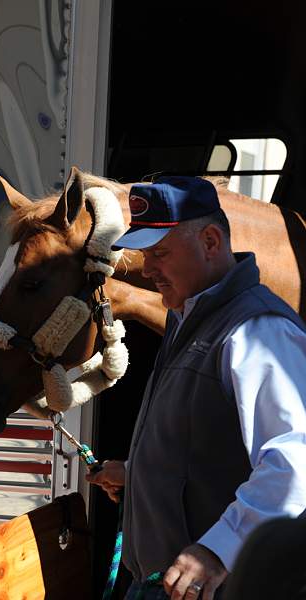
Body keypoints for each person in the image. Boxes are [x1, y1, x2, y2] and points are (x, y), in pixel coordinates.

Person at [86, 176, 306, 600]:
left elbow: (295, 462)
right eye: (145, 254)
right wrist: (138, 474)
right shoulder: (189, 317)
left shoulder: (258, 330)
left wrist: (218, 550)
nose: (148, 270)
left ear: (210, 241)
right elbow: (208, 447)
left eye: (160, 253)